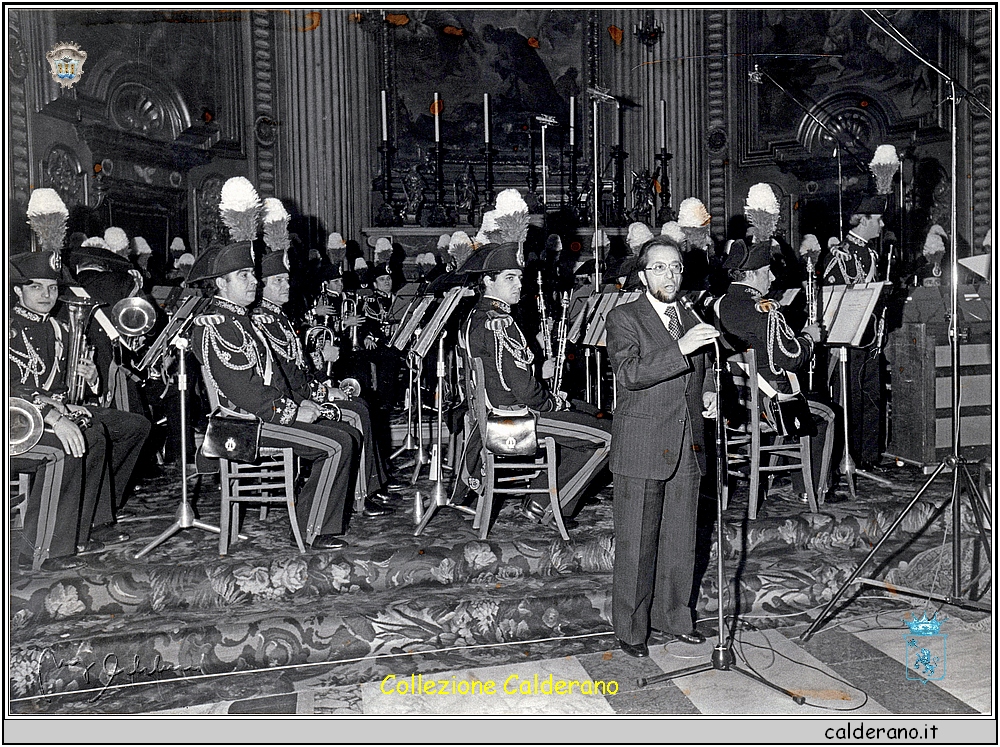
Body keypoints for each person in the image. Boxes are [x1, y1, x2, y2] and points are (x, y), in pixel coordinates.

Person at [188, 242, 360, 550]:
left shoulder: (240, 319)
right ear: (220, 284)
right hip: (244, 426)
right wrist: (292, 412)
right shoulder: (218, 325)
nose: (254, 281)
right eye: (243, 276)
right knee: (337, 443)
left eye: (252, 274)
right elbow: (243, 390)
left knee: (345, 431)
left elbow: (273, 378)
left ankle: (322, 520)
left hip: (263, 416)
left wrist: (302, 402)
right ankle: (311, 528)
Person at [605, 235, 719, 657]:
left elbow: (705, 367)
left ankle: (674, 616)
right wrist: (681, 348)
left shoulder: (689, 314)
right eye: (659, 267)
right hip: (642, 443)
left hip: (687, 441)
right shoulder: (624, 318)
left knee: (680, 538)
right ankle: (632, 630)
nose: (669, 275)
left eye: (674, 267)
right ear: (642, 275)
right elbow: (630, 373)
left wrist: (708, 391)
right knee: (636, 542)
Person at [10, 250, 149, 571]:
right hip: (18, 419)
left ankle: (88, 524)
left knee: (132, 426)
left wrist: (90, 379)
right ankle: (39, 551)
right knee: (71, 444)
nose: (47, 295)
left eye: (52, 288)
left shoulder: (60, 329)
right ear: (18, 291)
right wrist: (56, 417)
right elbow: (11, 389)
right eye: (37, 287)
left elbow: (67, 388)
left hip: (53, 411)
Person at [464, 242, 612, 524]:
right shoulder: (501, 322)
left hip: (502, 411)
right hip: (515, 419)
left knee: (589, 412)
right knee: (608, 436)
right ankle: (547, 505)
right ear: (487, 280)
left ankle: (540, 494)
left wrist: (541, 373)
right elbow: (524, 390)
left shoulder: (476, 315)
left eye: (519, 277)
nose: (519, 284)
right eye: (509, 278)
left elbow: (504, 372)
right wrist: (554, 401)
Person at [251, 250, 393, 517]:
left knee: (359, 404)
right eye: (278, 281)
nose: (287, 285)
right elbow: (287, 373)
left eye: (286, 279)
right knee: (356, 411)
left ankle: (368, 486)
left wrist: (323, 383)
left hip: (303, 392)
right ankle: (362, 493)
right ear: (262, 286)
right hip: (292, 402)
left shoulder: (278, 316)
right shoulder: (263, 320)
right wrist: (323, 389)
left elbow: (298, 363)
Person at [716, 239, 836, 502]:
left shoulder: (718, 304)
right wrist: (808, 338)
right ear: (751, 274)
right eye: (766, 271)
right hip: (770, 406)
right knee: (826, 414)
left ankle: (773, 475)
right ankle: (811, 491)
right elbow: (792, 358)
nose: (771, 276)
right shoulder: (766, 312)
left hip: (735, 404)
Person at [820, 193, 886, 467]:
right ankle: (845, 459)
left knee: (872, 397)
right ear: (863, 220)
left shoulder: (871, 253)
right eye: (878, 220)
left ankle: (868, 458)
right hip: (847, 341)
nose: (882, 225)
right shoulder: (840, 255)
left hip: (870, 338)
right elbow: (828, 300)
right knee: (850, 400)